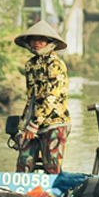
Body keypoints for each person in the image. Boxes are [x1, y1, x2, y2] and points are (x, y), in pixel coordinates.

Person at [12, 20, 71, 174]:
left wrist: (35, 123)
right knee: (23, 164)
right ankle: (22, 196)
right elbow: (31, 98)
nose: (36, 43)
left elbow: (52, 97)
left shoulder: (56, 64)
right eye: (33, 39)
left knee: (51, 167)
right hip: (33, 121)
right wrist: (24, 125)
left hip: (55, 122)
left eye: (41, 39)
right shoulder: (30, 65)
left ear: (49, 42)